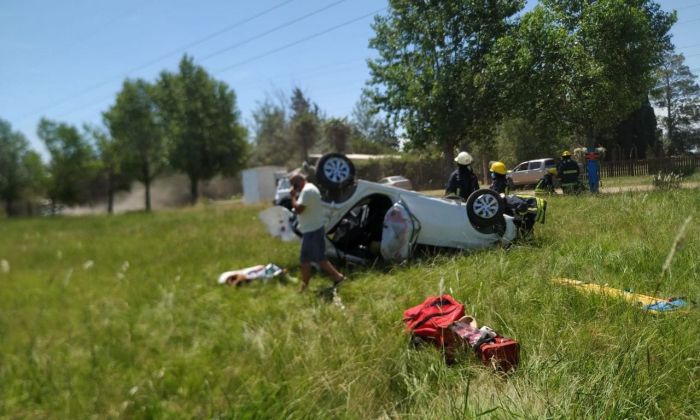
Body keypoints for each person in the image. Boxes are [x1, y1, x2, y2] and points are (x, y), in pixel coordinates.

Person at [289, 173, 345, 292]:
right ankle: (338, 277)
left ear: (300, 181)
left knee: (305, 259)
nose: (294, 188)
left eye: (294, 185)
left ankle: (304, 287)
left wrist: (293, 197)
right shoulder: (310, 188)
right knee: (320, 258)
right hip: (314, 228)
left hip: (312, 230)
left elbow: (299, 209)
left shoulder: (307, 191)